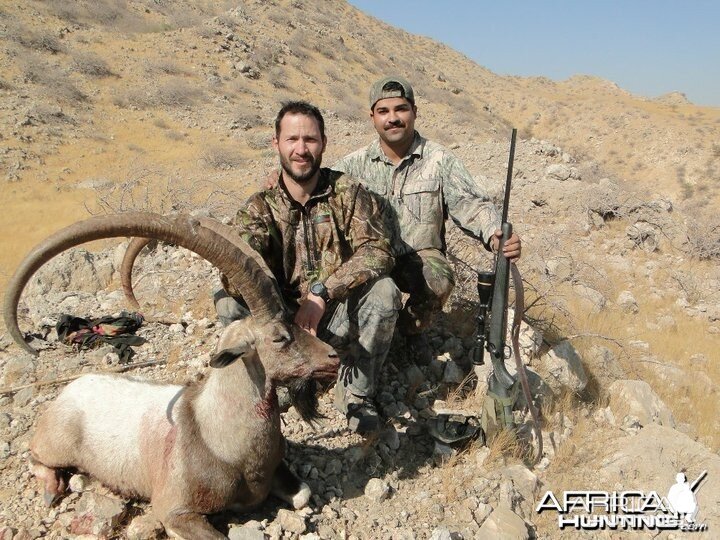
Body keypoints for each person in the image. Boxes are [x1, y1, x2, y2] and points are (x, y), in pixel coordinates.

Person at [214, 101, 400, 436]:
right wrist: (270, 302)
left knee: (385, 291)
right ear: (276, 143)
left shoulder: (347, 192)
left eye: (310, 140)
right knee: (228, 304)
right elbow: (234, 264)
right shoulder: (260, 207)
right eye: (292, 139)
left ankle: (356, 393)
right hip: (285, 330)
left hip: (340, 318)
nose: (301, 150)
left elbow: (378, 251)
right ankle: (272, 385)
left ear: (324, 143)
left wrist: (322, 293)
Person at [332, 75, 521, 365]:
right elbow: (317, 189)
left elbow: (470, 202)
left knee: (439, 279)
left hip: (418, 258)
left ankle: (409, 331)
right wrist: (279, 180)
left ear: (414, 112)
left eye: (401, 109)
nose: (393, 118)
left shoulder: (439, 160)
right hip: (370, 259)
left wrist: (495, 232)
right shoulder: (352, 165)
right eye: (384, 111)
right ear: (372, 117)